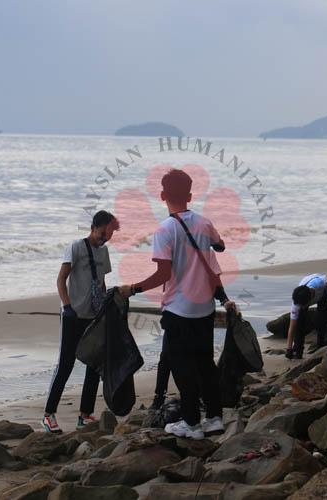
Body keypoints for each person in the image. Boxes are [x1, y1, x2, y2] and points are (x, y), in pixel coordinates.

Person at [118, 169, 237, 440]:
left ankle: (192, 424)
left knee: (182, 367)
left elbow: (163, 274)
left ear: (162, 195)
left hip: (178, 310)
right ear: (190, 195)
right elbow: (220, 246)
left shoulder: (165, 229)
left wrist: (132, 289)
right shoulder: (204, 223)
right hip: (204, 308)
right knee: (205, 363)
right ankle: (214, 418)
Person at [42, 210, 119, 434]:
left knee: (93, 366)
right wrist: (67, 306)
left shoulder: (104, 252)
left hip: (93, 316)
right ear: (93, 227)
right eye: (102, 233)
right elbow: (61, 279)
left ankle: (85, 415)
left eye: (109, 235)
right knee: (65, 365)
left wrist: (103, 306)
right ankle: (48, 415)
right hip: (73, 315)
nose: (105, 238)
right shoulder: (76, 248)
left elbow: (101, 282)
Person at [285, 274, 327, 359]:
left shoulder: (320, 283)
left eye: (303, 305)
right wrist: (289, 348)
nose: (301, 307)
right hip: (306, 295)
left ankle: (321, 346)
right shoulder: (297, 303)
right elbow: (292, 326)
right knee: (299, 323)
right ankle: (298, 350)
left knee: (322, 319)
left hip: (323, 293)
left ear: (310, 300)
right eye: (300, 306)